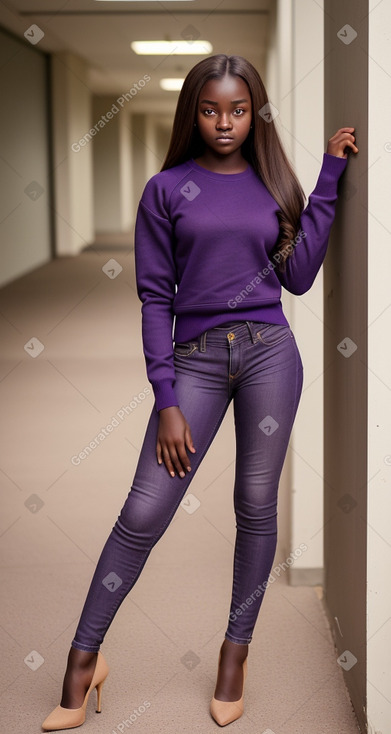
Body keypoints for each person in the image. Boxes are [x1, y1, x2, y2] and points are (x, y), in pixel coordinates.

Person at [42, 54, 358, 730]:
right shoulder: (165, 189)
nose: (224, 122)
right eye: (211, 109)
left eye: (237, 110)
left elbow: (298, 277)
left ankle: (233, 654)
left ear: (254, 113)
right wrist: (166, 400)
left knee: (253, 501)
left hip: (271, 354)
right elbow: (154, 297)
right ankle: (82, 657)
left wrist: (328, 176)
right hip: (195, 360)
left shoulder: (272, 183)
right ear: (194, 112)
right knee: (145, 510)